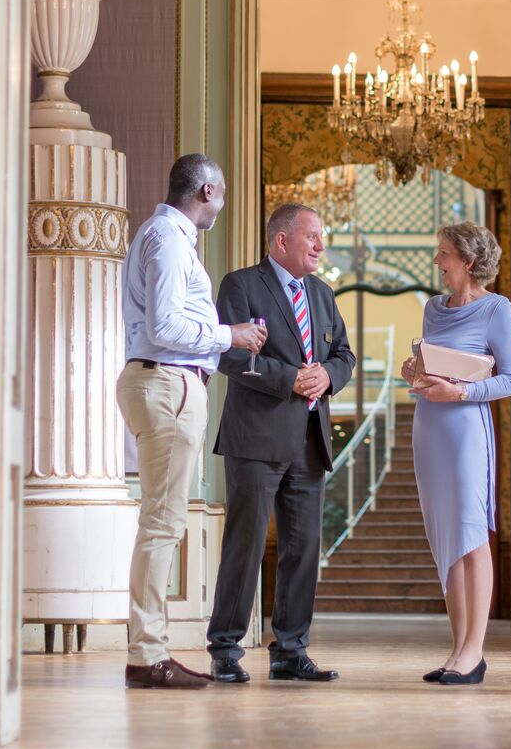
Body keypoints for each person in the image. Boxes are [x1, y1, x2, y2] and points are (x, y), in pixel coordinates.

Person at [117, 154, 267, 690]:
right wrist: (233, 335)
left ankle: (149, 649)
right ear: (207, 189)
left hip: (162, 382)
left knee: (162, 521)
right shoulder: (169, 238)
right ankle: (147, 654)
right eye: (221, 194)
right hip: (168, 383)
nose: (221, 207)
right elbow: (165, 325)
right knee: (162, 524)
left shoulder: (163, 236)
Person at [206, 203, 356, 684]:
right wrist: (291, 378)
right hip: (255, 439)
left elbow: (344, 355)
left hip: (309, 441)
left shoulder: (323, 292)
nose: (320, 245)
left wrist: (325, 377)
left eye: (322, 238)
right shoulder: (241, 285)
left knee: (302, 549)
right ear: (281, 240)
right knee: (245, 546)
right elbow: (229, 354)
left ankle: (290, 651)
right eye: (312, 236)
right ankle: (226, 650)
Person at [399, 221, 511, 686]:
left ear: (468, 262)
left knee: (471, 534)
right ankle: (456, 651)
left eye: (444, 253)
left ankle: (474, 652)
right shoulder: (433, 308)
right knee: (445, 539)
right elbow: (433, 367)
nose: (437, 261)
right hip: (429, 427)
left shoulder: (497, 309)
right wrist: (416, 368)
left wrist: (462, 393)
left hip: (467, 429)